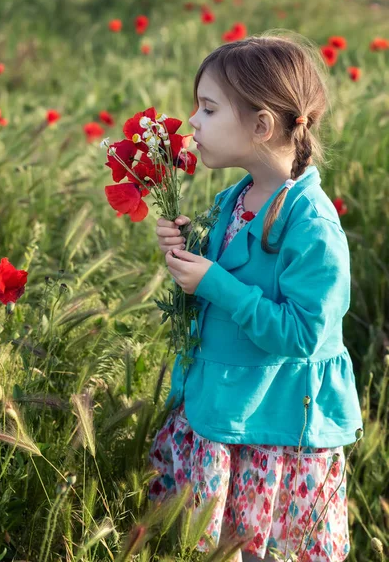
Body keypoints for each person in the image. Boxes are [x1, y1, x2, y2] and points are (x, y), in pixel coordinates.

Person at [147, 31, 363, 562]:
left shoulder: (312, 224)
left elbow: (304, 334)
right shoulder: (237, 197)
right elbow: (236, 270)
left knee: (259, 547)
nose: (193, 121)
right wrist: (190, 249)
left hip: (273, 425)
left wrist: (214, 283)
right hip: (222, 407)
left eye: (208, 108)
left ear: (261, 125)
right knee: (216, 545)